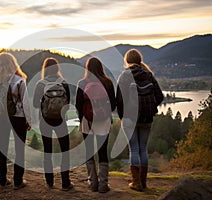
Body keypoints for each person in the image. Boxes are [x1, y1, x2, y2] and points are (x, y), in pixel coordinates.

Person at [116, 49, 163, 191]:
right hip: (147, 118)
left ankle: (136, 183)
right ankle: (143, 182)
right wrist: (150, 107)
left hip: (130, 118)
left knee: (134, 149)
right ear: (139, 59)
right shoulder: (148, 75)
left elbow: (119, 100)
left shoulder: (124, 76)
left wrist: (123, 116)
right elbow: (160, 96)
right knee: (143, 148)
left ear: (127, 60)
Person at [0, 52, 31, 189]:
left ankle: (2, 180)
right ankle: (18, 181)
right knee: (19, 149)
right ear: (13, 64)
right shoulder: (19, 79)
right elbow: (26, 102)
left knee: (3, 148)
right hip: (18, 117)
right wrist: (28, 120)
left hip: (1, 118)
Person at [75, 57, 116, 193]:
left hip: (87, 121)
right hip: (103, 122)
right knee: (103, 152)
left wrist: (83, 118)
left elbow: (78, 105)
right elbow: (113, 104)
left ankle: (92, 183)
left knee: (89, 151)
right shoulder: (108, 83)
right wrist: (104, 115)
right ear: (101, 68)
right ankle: (103, 184)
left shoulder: (82, 83)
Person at [33, 57, 73, 191]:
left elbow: (34, 104)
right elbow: (68, 104)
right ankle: (66, 183)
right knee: (65, 151)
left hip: (45, 121)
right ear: (57, 68)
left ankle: (50, 182)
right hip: (61, 121)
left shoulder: (40, 84)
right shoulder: (64, 83)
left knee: (47, 151)